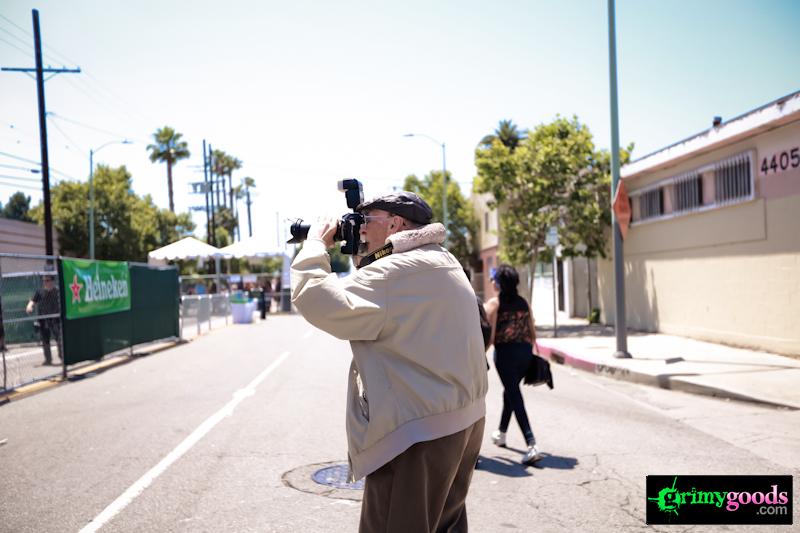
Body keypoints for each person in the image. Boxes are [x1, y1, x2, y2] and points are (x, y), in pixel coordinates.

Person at [291, 191, 488, 533]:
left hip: (417, 435)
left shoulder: (392, 272)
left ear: (396, 224)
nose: (361, 229)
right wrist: (364, 252)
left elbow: (317, 299)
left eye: (368, 221)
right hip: (464, 422)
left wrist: (315, 244)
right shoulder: (442, 259)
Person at [483, 264, 543, 465]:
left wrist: (480, 355)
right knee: (510, 392)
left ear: (499, 283)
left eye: (494, 279)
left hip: (505, 356)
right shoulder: (524, 303)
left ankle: (531, 444)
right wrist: (528, 352)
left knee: (514, 396)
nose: (492, 282)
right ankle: (501, 433)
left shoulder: (494, 304)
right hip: (525, 354)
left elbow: (490, 338)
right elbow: (532, 332)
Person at [26, 274, 61, 366]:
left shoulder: (57, 291)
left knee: (59, 338)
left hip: (55, 318)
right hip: (43, 319)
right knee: (45, 340)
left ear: (52, 281)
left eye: (47, 280)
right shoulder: (40, 292)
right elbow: (33, 300)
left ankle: (62, 356)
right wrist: (29, 306)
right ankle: (48, 359)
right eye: (44, 281)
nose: (45, 282)